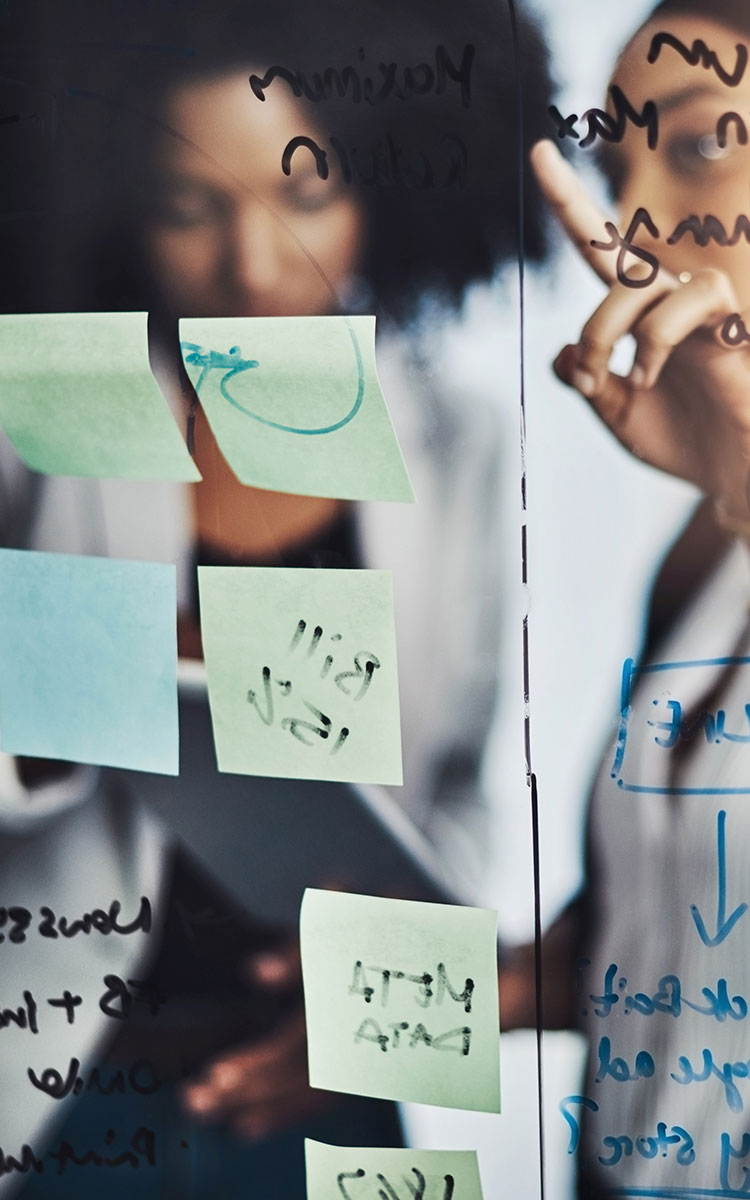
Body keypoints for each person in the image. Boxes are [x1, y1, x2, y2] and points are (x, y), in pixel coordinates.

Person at [0, 1, 552, 1194]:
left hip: (328, 1085)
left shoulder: (456, 440)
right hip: (64, 1087)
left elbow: (456, 808)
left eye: (303, 194)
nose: (250, 264)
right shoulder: (55, 395)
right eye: (190, 207)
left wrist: (379, 1028)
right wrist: (83, 693)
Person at [526, 1, 750, 1196]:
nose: (645, 220)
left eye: (702, 142)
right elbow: (648, 932)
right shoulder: (706, 550)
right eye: (620, 165)